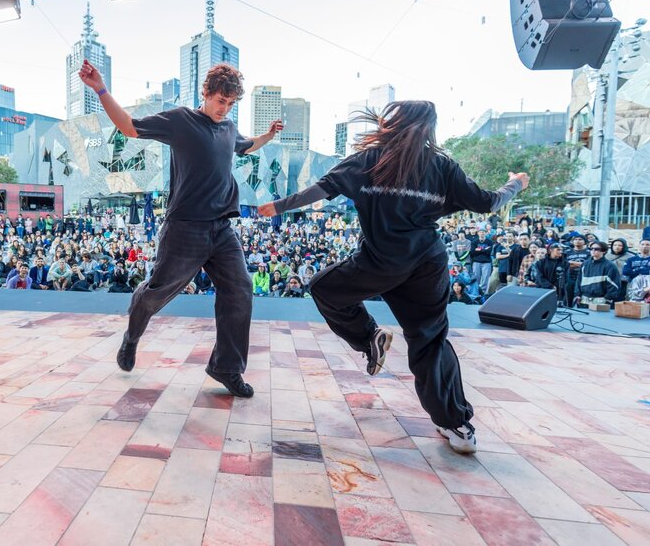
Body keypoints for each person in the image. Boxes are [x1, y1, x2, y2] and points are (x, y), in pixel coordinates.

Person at [259, 101, 528, 454]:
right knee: (430, 339)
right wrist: (514, 185)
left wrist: (278, 207)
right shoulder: (442, 166)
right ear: (429, 129)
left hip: (379, 261)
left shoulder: (369, 160)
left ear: (392, 123)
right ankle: (456, 424)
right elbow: (489, 202)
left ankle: (369, 336)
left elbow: (322, 189)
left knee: (325, 288)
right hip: (426, 264)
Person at [80, 59, 282, 398]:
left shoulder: (229, 128)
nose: (225, 108)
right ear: (205, 93)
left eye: (231, 104)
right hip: (185, 228)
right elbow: (130, 127)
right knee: (158, 292)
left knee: (240, 288)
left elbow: (246, 146)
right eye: (220, 101)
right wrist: (101, 88)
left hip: (222, 228)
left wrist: (269, 135)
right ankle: (131, 337)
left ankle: (226, 367)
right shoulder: (180, 120)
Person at [574, 241, 620, 307]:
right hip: (583, 301)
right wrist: (577, 295)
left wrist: (608, 299)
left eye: (596, 249)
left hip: (602, 302)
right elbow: (579, 280)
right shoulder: (585, 264)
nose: (593, 250)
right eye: (591, 249)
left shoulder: (610, 266)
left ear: (604, 251)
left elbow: (614, 284)